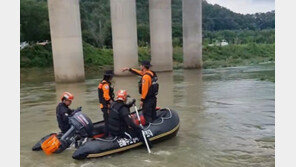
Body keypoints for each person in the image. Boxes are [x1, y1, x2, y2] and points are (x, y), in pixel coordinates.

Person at [98, 70, 115, 137]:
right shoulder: (105, 85)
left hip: (104, 105)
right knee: (108, 121)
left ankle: (107, 134)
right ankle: (108, 135)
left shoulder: (103, 83)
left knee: (107, 120)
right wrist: (112, 103)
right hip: (106, 106)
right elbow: (106, 96)